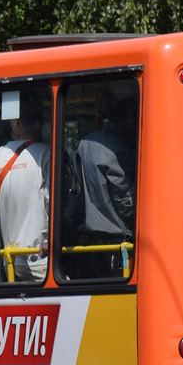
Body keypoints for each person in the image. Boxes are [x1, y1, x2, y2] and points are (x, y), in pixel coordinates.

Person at [74, 95, 137, 276]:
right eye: (134, 119)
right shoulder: (119, 152)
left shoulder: (83, 143)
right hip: (115, 242)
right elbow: (126, 205)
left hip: (84, 242)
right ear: (123, 120)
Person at [0, 101, 50, 282]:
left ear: (16, 122)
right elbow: (53, 201)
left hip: (10, 260)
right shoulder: (46, 154)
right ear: (39, 124)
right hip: (40, 258)